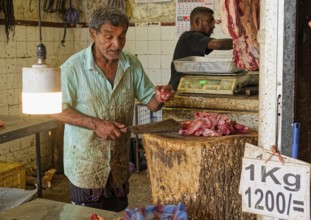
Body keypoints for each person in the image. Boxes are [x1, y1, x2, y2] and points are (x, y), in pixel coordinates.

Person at [52, 7, 175, 212]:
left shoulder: (131, 64)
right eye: (109, 37)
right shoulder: (73, 68)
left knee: (118, 214)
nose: (116, 45)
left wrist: (161, 95)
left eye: (121, 37)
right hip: (86, 165)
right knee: (87, 216)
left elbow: (152, 103)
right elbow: (55, 109)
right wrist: (96, 124)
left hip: (118, 164)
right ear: (93, 33)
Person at [169, 6, 233, 91]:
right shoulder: (190, 36)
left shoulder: (195, 38)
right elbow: (218, 44)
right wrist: (243, 43)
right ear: (197, 21)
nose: (213, 26)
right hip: (178, 88)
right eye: (209, 21)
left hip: (186, 85)